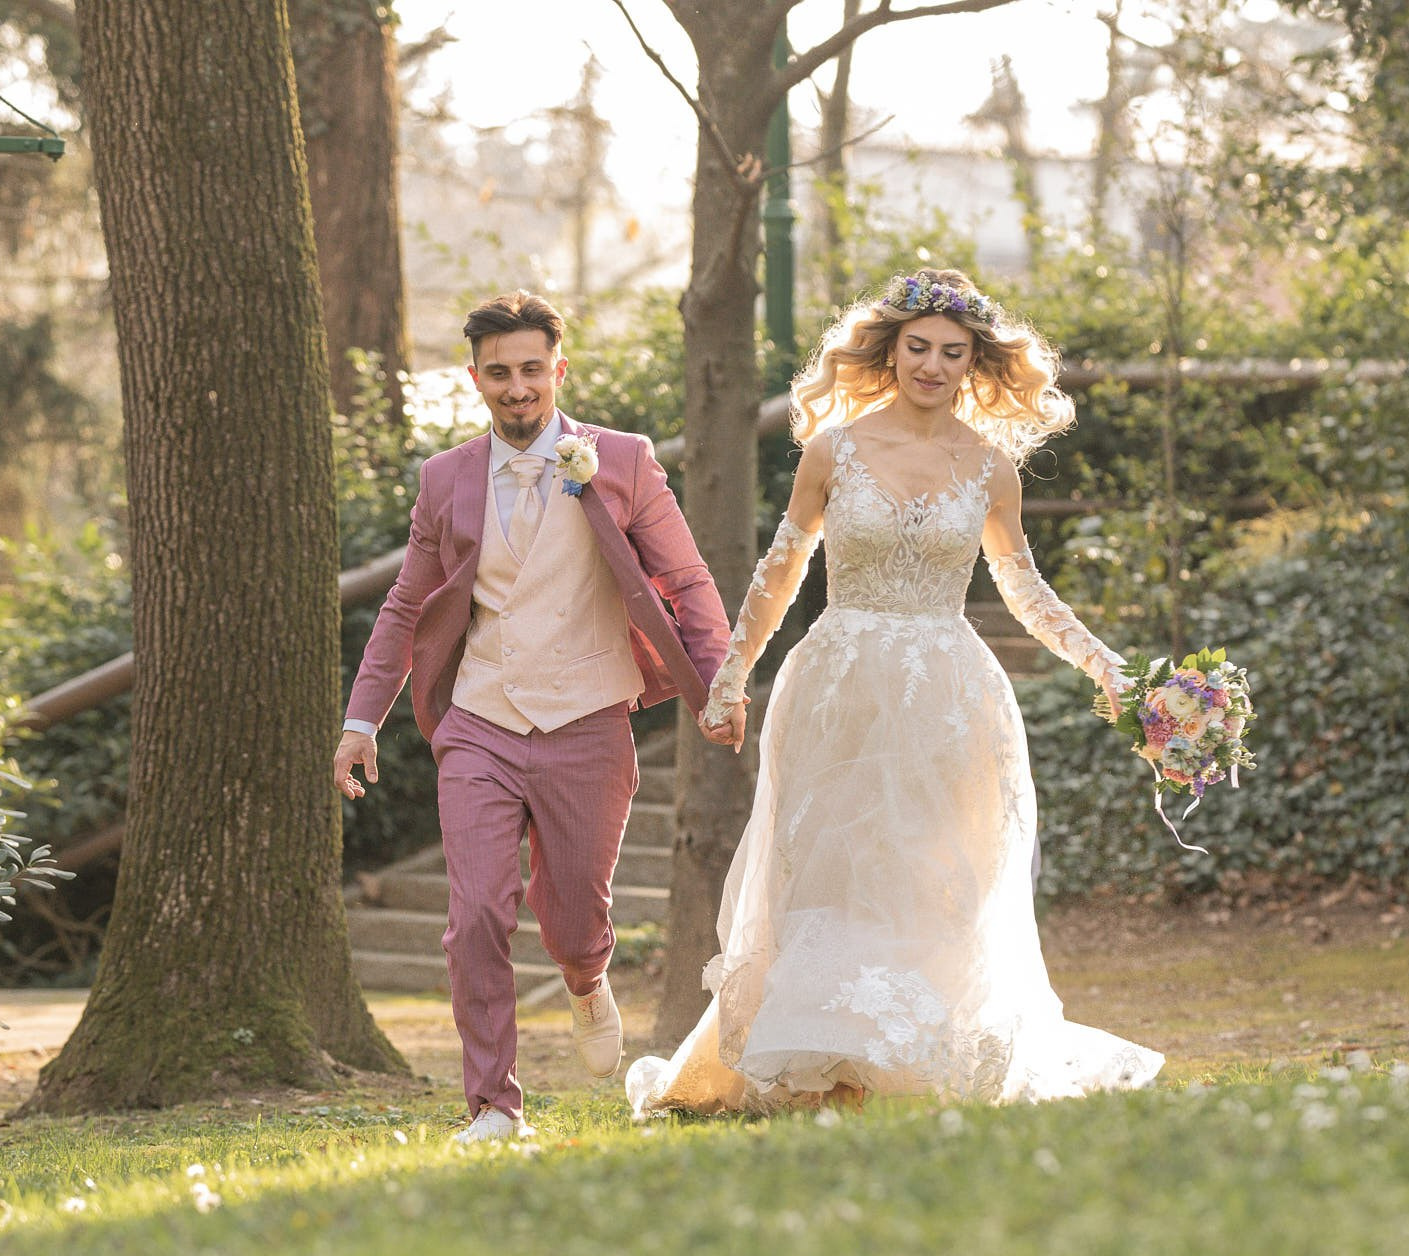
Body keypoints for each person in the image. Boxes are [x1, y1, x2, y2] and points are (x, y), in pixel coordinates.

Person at [627, 269, 1164, 1117]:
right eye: (919, 347)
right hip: (839, 685)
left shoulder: (991, 467)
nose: (934, 366)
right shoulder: (833, 450)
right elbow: (779, 571)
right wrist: (731, 677)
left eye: (954, 353)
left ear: (975, 364)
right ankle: (820, 1064)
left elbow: (1024, 588)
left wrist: (1110, 668)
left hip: (948, 696)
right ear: (890, 350)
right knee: (829, 872)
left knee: (930, 876)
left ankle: (898, 1057)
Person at [336, 291, 730, 1144]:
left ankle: (587, 977)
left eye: (531, 369)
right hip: (479, 717)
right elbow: (407, 605)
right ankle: (493, 1104)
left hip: (588, 715)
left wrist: (718, 681)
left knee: (573, 913)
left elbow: (689, 579)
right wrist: (363, 718)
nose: (517, 388)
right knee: (476, 908)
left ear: (559, 370)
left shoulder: (621, 461)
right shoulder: (445, 479)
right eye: (498, 373)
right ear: (475, 378)